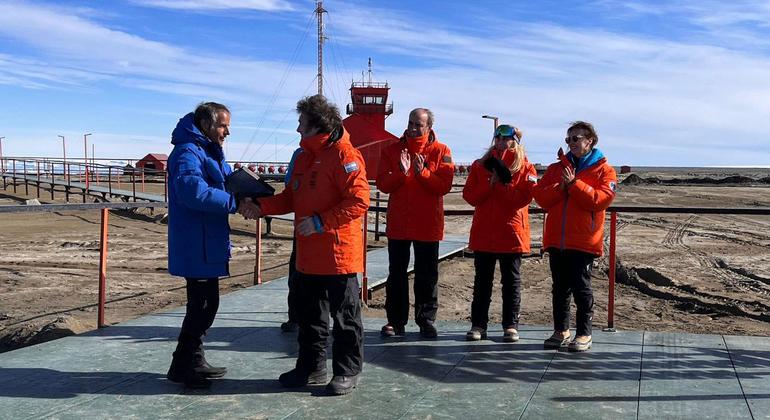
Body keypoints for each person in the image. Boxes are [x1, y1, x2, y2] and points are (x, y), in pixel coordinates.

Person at [255, 95, 369, 396]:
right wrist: (260, 206)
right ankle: (311, 366)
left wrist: (321, 222)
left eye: (301, 124)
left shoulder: (346, 156)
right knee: (309, 317)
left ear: (318, 126)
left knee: (344, 319)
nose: (296, 129)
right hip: (308, 255)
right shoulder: (304, 157)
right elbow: (290, 198)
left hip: (337, 254)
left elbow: (359, 201)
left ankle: (347, 370)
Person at [166, 102, 260, 388]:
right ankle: (187, 364)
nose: (227, 132)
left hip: (207, 239)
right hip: (196, 241)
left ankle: (188, 361)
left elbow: (223, 180)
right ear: (207, 124)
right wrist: (234, 203)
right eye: (222, 125)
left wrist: (250, 190)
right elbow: (193, 191)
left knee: (204, 304)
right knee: (204, 304)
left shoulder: (206, 150)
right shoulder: (187, 152)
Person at [532, 121, 617, 352]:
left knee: (581, 288)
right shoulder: (556, 168)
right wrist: (561, 187)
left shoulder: (604, 171)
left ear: (590, 141)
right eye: (568, 139)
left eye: (575, 139)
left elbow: (601, 200)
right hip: (557, 239)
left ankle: (584, 333)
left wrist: (574, 184)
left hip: (583, 240)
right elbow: (539, 196)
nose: (571, 143)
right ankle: (561, 330)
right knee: (559, 288)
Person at [376, 108, 454, 339]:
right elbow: (382, 183)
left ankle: (426, 320)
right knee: (396, 273)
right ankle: (396, 321)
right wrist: (401, 173)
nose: (413, 128)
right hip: (399, 222)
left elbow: (445, 186)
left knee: (427, 274)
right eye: (411, 123)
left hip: (427, 223)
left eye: (418, 125)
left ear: (429, 127)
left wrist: (424, 173)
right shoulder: (392, 150)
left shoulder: (442, 151)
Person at [462, 124, 536, 342]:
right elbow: (470, 195)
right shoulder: (480, 165)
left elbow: (522, 199)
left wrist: (501, 186)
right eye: (498, 138)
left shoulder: (525, 167)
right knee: (482, 281)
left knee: (511, 281)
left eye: (507, 138)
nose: (502, 142)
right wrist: (489, 184)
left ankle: (510, 325)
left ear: (515, 141)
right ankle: (478, 325)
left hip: (511, 233)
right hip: (485, 232)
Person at [280, 146, 303, 333]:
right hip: (304, 226)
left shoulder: (300, 154)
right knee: (296, 273)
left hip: (316, 227)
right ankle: (295, 317)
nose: (298, 130)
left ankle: (296, 318)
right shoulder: (300, 154)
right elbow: (290, 187)